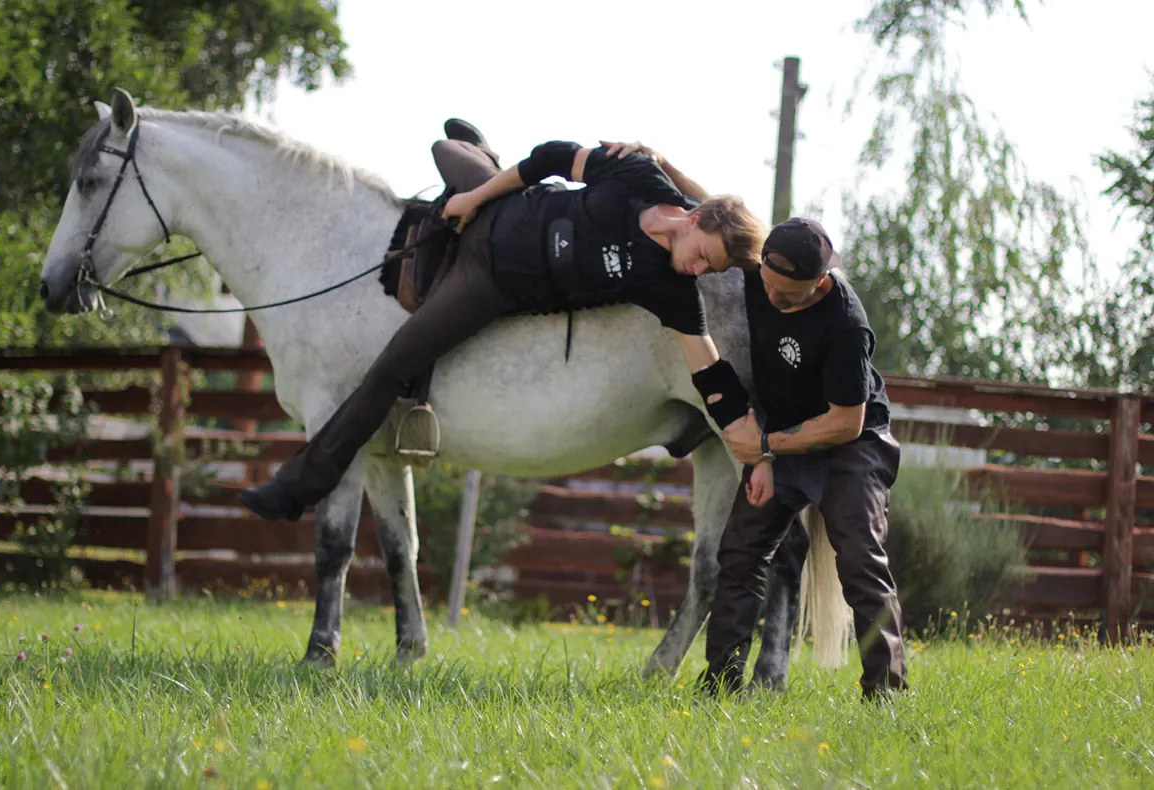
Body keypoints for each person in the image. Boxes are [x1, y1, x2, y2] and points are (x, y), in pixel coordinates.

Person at [238, 121, 766, 521]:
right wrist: (474, 197)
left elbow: (709, 367)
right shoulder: (638, 176)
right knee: (446, 147)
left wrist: (747, 434)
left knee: (392, 366)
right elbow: (554, 157)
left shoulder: (668, 286)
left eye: (710, 269)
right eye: (705, 255)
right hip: (503, 211)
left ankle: (296, 489)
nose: (699, 270)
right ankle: (480, 161)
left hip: (492, 282)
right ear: (695, 217)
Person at [698, 217, 908, 699]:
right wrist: (661, 161)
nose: (773, 301)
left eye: (787, 296)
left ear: (820, 281)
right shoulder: (760, 274)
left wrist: (767, 447)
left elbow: (845, 423)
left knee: (859, 559)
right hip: (786, 435)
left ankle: (887, 694)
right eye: (767, 289)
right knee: (740, 550)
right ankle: (719, 686)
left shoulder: (845, 325)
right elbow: (719, 217)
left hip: (851, 446)